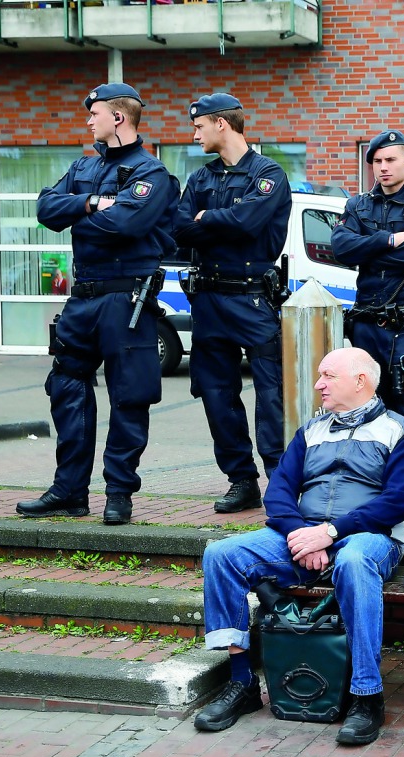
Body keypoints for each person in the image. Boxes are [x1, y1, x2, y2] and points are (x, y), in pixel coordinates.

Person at [193, 347, 404, 745]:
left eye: (328, 376)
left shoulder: (401, 431)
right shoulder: (311, 431)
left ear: (360, 381)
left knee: (354, 561)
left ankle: (367, 695)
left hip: (370, 538)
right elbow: (279, 491)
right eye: (319, 376)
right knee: (222, 554)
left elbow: (398, 501)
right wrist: (302, 534)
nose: (318, 385)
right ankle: (242, 682)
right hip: (305, 536)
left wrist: (329, 533)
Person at [18, 83, 178, 526]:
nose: (89, 120)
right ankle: (69, 491)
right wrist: (91, 202)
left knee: (130, 396)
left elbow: (125, 224)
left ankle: (118, 494)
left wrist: (80, 217)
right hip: (83, 297)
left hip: (126, 300)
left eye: (95, 114)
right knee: (66, 387)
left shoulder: (152, 173)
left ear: (118, 117)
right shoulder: (82, 167)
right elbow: (46, 209)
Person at [173, 93, 292, 514]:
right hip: (208, 299)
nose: (195, 134)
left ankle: (280, 481)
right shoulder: (201, 178)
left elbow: (249, 222)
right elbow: (178, 228)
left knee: (271, 394)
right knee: (215, 393)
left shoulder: (268, 174)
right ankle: (242, 481)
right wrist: (214, 222)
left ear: (221, 124)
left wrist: (206, 218)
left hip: (252, 298)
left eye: (199, 126)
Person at [331, 130, 404, 450]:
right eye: (377, 161)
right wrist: (388, 240)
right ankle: (377, 476)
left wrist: (366, 250)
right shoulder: (358, 205)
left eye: (391, 159)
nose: (383, 167)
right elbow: (340, 248)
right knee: (367, 406)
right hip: (367, 325)